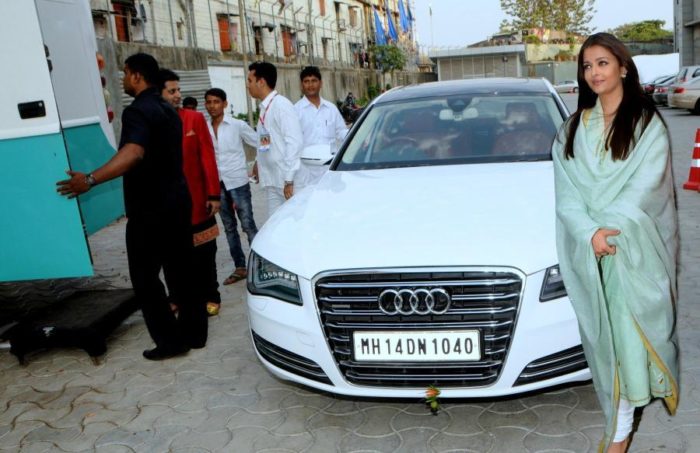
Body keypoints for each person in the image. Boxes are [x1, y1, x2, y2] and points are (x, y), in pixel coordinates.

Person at [552, 33, 679, 453]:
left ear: (623, 66)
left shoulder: (646, 126)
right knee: (605, 350)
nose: (594, 73)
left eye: (602, 63)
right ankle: (619, 428)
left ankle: (618, 437)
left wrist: (610, 230)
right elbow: (566, 194)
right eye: (587, 66)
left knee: (627, 346)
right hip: (591, 257)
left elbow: (647, 190)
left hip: (629, 253)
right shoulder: (572, 130)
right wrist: (590, 233)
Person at [57, 53, 206, 360]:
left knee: (144, 277)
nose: (122, 79)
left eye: (125, 74)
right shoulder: (168, 108)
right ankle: (194, 334)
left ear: (137, 76)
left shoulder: (138, 111)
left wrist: (89, 179)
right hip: (177, 203)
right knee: (181, 270)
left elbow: (134, 153)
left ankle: (170, 342)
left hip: (150, 210)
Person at [159, 69, 222, 317]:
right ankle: (177, 297)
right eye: (172, 91)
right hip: (167, 205)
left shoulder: (194, 119)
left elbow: (207, 157)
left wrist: (214, 194)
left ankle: (211, 295)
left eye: (178, 90)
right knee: (171, 256)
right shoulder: (153, 123)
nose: (177, 95)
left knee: (205, 253)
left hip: (198, 202)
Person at [204, 88, 259, 290]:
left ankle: (261, 264)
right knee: (228, 227)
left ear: (225, 104)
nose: (212, 106)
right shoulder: (204, 128)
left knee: (247, 224)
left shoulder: (237, 125)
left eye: (216, 102)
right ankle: (240, 267)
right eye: (209, 102)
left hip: (237, 181)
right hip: (216, 184)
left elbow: (259, 143)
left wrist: (257, 164)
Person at [246, 61, 303, 217]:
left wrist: (289, 179)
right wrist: (258, 162)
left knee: (294, 225)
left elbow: (294, 142)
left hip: (286, 182)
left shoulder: (281, 105)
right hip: (272, 181)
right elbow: (266, 140)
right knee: (275, 228)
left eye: (250, 81)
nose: (247, 85)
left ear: (261, 82)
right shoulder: (265, 108)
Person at [294, 66, 347, 186]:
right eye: (306, 81)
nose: (310, 85)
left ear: (321, 83)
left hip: (331, 170)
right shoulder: (296, 111)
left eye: (314, 81)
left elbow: (342, 132)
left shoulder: (331, 109)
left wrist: (357, 136)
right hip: (306, 173)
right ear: (301, 85)